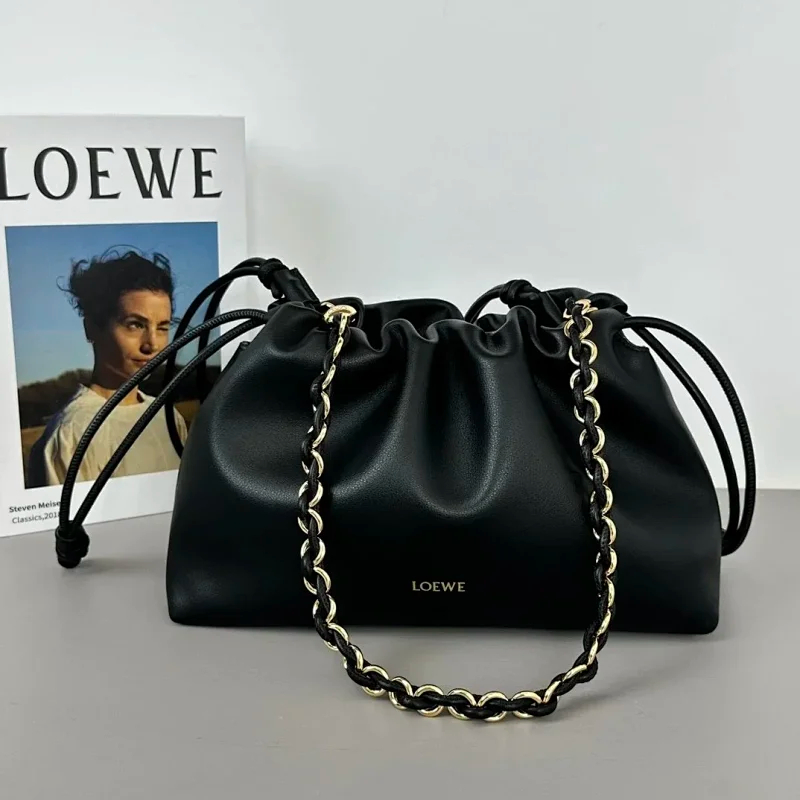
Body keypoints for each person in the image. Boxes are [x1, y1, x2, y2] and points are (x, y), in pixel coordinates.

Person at [27, 249, 188, 487]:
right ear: (92, 328)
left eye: (162, 327)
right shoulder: (70, 434)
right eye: (135, 325)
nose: (152, 344)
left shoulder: (169, 418)